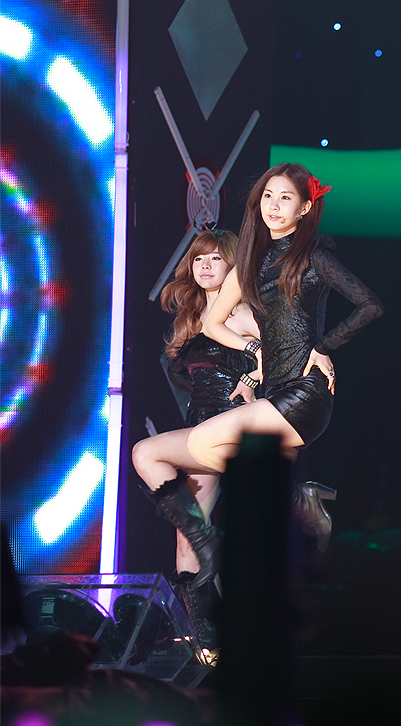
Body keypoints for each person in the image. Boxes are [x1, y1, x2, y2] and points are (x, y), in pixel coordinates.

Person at [172, 163, 381, 574]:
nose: (273, 205)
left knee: (198, 447)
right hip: (268, 395)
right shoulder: (250, 262)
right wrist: (255, 353)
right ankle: (298, 502)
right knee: (242, 511)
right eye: (268, 195)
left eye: (285, 197)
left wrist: (324, 346)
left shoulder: (312, 256)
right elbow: (215, 326)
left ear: (304, 208)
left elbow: (370, 305)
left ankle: (299, 500)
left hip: (304, 392)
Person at [131, 228, 257, 659]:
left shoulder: (243, 313)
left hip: (230, 428)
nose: (205, 265)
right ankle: (213, 643)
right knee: (187, 539)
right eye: (199, 258)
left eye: (216, 258)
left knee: (145, 454)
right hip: (199, 430)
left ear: (234, 265)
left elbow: (280, 363)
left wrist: (252, 384)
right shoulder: (192, 318)